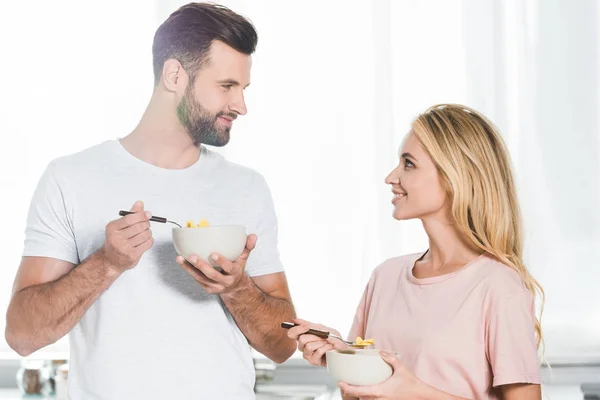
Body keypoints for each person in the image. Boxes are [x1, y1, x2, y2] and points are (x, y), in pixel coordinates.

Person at [5, 3, 296, 399]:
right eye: (227, 86)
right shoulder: (71, 179)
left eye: (243, 89)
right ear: (175, 74)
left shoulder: (247, 188)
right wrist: (105, 264)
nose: (241, 106)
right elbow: (22, 335)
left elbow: (283, 346)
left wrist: (237, 288)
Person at [288, 104, 544, 400]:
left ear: (453, 176)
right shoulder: (385, 277)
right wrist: (340, 355)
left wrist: (414, 392)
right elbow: (358, 394)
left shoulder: (498, 286)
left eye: (408, 163)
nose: (391, 177)